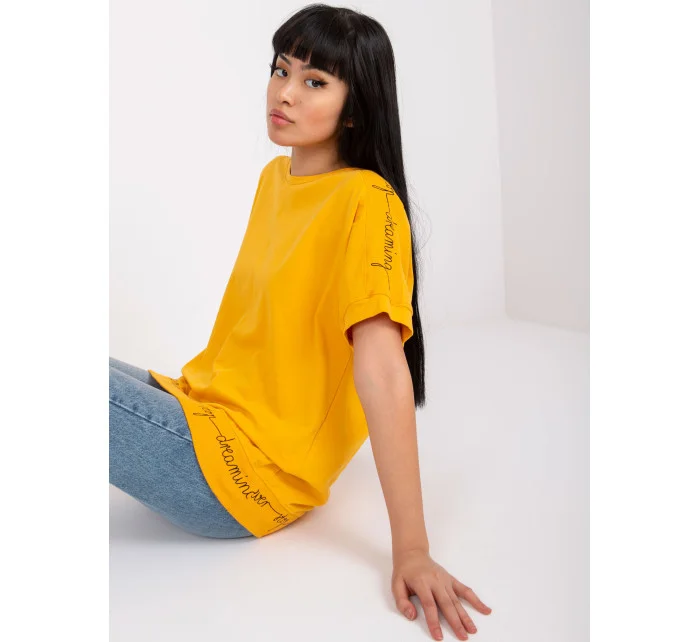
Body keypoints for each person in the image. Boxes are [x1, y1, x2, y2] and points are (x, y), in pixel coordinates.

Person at [110, 4, 492, 640]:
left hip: (242, 475)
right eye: (280, 69)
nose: (284, 92)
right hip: (201, 411)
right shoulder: (275, 179)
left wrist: (413, 549)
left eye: (315, 81)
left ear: (356, 106)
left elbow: (382, 369)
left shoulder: (367, 202)